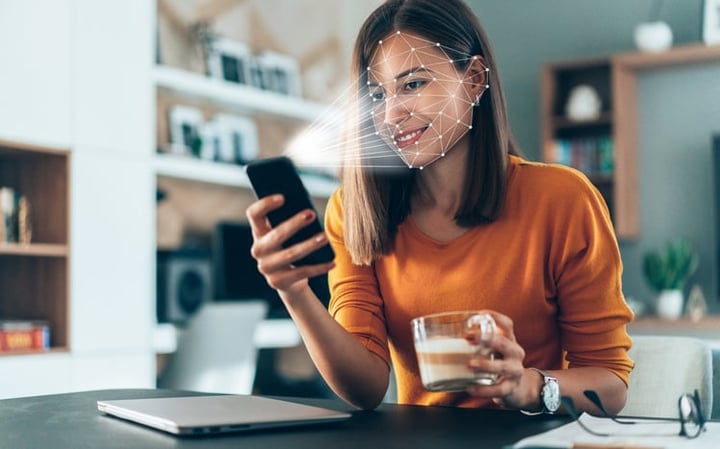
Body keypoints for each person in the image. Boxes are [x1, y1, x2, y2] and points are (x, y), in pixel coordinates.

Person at [246, 0, 634, 414]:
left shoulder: (562, 199)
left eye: (413, 84)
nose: (392, 114)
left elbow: (611, 385)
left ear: (474, 79)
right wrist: (294, 292)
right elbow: (365, 390)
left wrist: (530, 386)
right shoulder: (355, 212)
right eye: (377, 94)